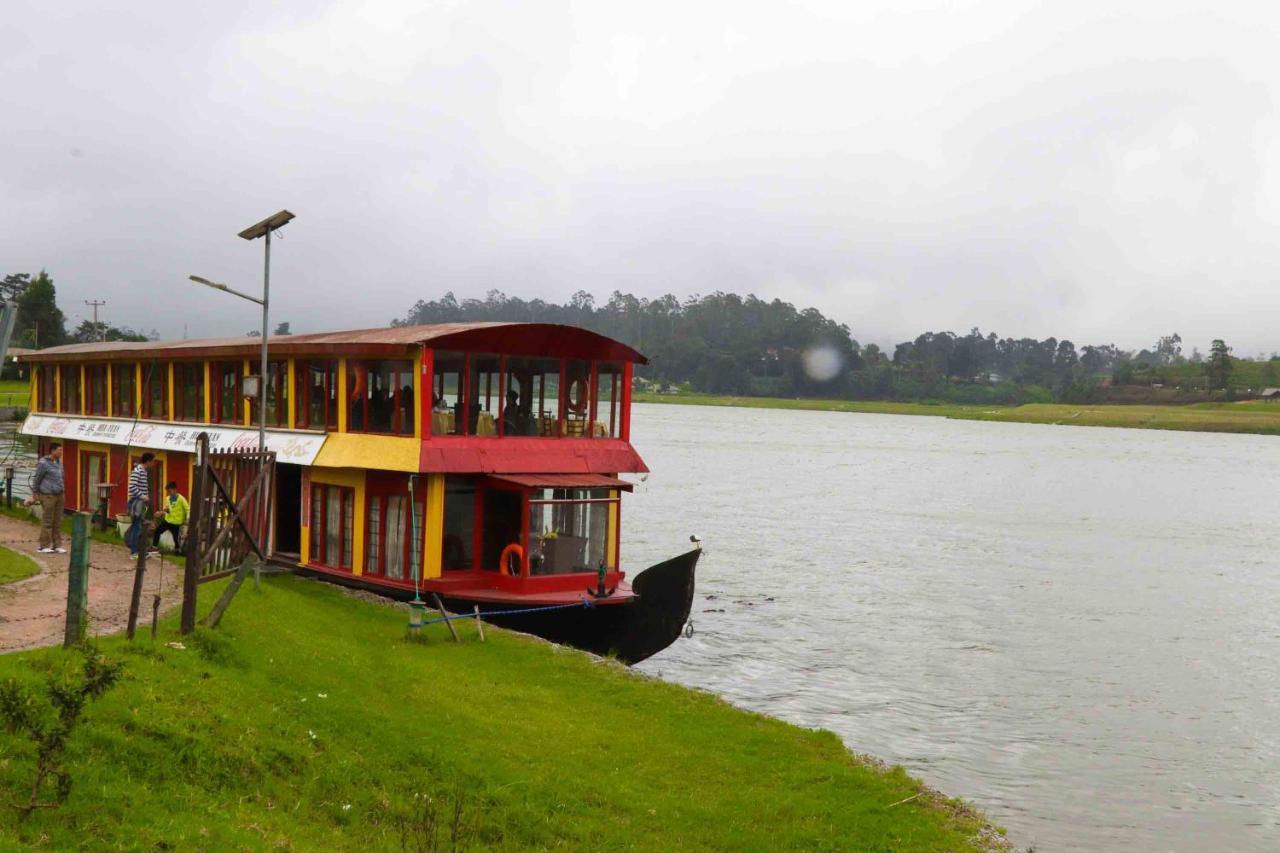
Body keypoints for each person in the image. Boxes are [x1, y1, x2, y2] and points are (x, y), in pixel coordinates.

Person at [26, 442, 66, 554]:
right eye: (59, 450)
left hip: (60, 495)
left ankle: (57, 545)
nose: (61, 452)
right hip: (48, 495)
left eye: (62, 450)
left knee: (57, 521)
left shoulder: (59, 463)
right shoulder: (43, 463)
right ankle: (44, 545)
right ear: (53, 451)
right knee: (48, 520)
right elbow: (37, 479)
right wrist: (35, 494)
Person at [126, 452, 157, 557]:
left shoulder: (144, 471)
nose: (154, 463)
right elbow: (132, 487)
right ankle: (134, 552)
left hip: (141, 503)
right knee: (136, 527)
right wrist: (143, 496)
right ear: (148, 461)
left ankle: (138, 550)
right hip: (136, 502)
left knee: (139, 526)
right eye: (153, 461)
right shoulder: (138, 471)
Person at [150, 481, 188, 554]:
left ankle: (178, 551)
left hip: (176, 523)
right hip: (167, 521)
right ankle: (154, 547)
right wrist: (162, 512)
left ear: (175, 490)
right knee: (157, 531)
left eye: (170, 491)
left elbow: (187, 509)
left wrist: (187, 519)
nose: (169, 493)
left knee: (176, 538)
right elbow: (167, 508)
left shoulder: (181, 499)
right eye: (168, 491)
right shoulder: (168, 498)